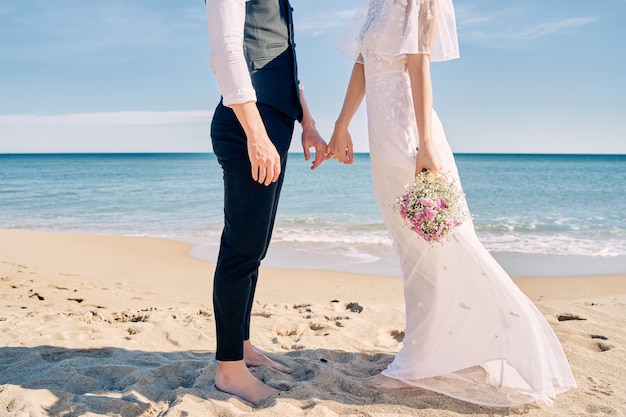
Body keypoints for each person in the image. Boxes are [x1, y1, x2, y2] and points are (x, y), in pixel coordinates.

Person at [327, 0, 576, 407]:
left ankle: (423, 362)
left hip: (408, 140)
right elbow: (362, 65)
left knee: (442, 246)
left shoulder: (418, 2)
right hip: (382, 143)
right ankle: (426, 353)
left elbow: (419, 68)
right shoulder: (376, 4)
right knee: (412, 254)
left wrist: (426, 146)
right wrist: (341, 124)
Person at [205, 0, 327, 405]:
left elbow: (286, 62)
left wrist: (307, 123)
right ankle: (228, 369)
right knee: (240, 248)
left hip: (276, 121)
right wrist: (256, 135)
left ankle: (241, 346)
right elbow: (225, 50)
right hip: (247, 125)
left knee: (255, 248)